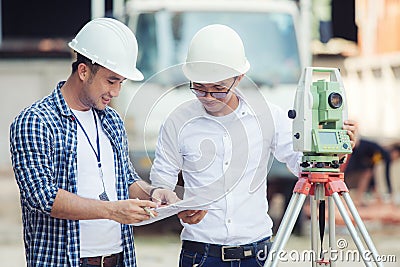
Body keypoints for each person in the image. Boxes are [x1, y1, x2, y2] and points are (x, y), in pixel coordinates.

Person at [148, 24, 358, 267]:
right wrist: (172, 203)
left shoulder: (268, 116)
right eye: (199, 88)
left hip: (257, 254)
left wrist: (332, 151)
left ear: (238, 78)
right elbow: (162, 181)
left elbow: (303, 166)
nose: (207, 97)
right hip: (200, 254)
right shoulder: (177, 121)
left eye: (218, 89)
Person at [10, 18, 178, 267]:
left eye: (121, 82)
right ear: (84, 71)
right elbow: (41, 196)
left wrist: (154, 193)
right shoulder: (35, 121)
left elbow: (126, 180)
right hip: (65, 261)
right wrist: (112, 210)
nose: (116, 92)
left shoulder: (111, 120)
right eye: (111, 81)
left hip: (117, 259)